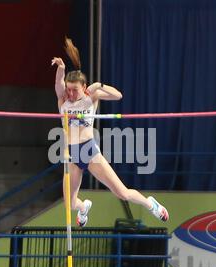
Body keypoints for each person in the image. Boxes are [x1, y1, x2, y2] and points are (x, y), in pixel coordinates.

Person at [51, 37, 169, 227]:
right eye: (69, 89)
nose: (71, 94)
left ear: (84, 88)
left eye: (75, 90)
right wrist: (61, 68)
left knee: (121, 193)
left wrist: (99, 85)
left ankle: (150, 204)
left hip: (89, 152)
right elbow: (58, 83)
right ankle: (84, 208)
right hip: (72, 155)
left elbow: (118, 95)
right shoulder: (63, 100)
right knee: (70, 203)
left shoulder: (91, 98)